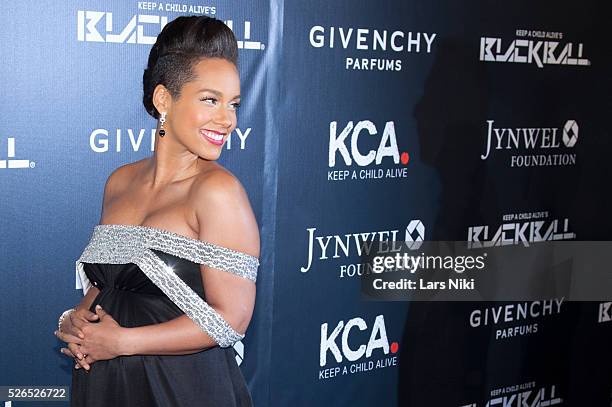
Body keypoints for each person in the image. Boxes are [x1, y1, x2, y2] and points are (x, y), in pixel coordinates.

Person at [53, 15, 260, 406]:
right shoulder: (120, 181)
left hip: (180, 386)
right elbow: (110, 282)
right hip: (106, 381)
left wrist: (124, 342)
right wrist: (75, 319)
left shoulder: (218, 191)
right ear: (164, 99)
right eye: (210, 100)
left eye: (233, 103)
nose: (227, 119)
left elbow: (231, 318)